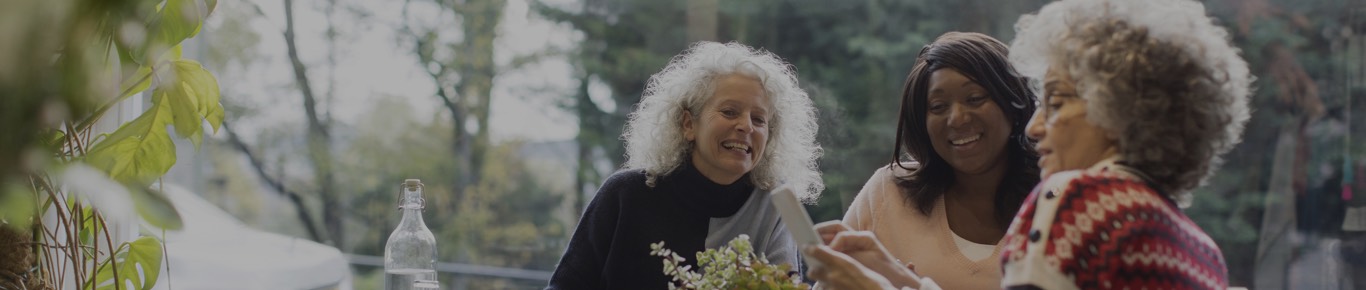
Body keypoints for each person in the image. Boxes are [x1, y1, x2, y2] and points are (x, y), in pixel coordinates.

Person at [805, 0, 1254, 289]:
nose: (1036, 126)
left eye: (1056, 101)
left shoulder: (1080, 203)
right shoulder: (1201, 249)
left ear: (1118, 111)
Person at [546, 41, 824, 290]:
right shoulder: (626, 194)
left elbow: (785, 285)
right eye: (729, 112)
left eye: (759, 119)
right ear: (688, 124)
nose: (745, 126)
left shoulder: (774, 205)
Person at [814, 31, 1040, 290]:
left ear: (1014, 103)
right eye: (938, 106)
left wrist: (900, 283)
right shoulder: (888, 193)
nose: (956, 118)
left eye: (975, 99)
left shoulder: (1059, 203)